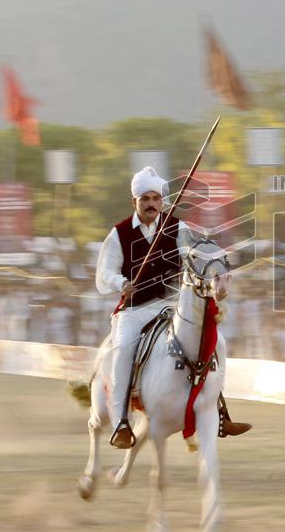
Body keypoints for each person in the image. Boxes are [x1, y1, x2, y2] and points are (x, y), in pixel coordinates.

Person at [97, 166, 251, 449]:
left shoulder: (177, 228)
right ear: (135, 202)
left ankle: (221, 413)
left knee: (218, 343)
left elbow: (201, 252)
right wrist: (121, 283)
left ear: (162, 200)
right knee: (123, 350)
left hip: (171, 306)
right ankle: (121, 422)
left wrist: (219, 275)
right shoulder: (118, 234)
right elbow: (103, 273)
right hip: (133, 309)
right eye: (146, 199)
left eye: (156, 198)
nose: (152, 203)